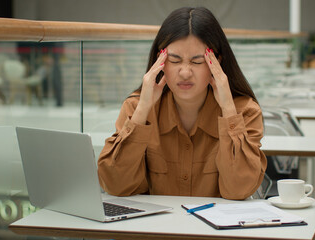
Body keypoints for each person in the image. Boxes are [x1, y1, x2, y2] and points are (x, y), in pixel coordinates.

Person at [98, 7, 267, 200]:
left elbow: (238, 190)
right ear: (159, 61)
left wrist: (228, 109)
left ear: (216, 62)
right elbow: (114, 185)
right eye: (174, 60)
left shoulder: (244, 111)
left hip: (215, 230)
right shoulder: (136, 107)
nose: (185, 72)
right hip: (153, 229)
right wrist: (142, 110)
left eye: (196, 62)